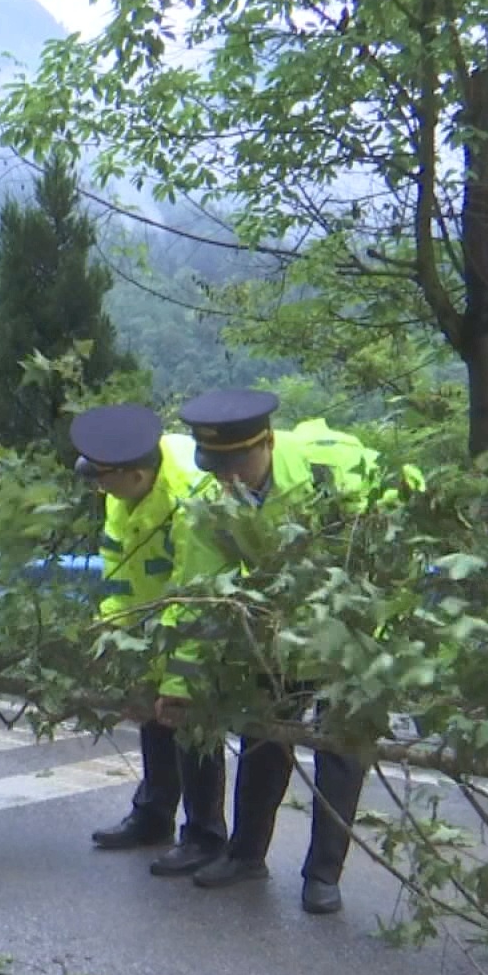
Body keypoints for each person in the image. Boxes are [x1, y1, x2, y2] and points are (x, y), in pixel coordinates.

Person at [157, 389, 395, 915]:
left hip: (351, 634)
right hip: (276, 634)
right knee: (262, 738)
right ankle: (245, 854)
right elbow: (200, 594)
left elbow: (397, 529)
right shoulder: (212, 501)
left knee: (341, 749)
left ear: (267, 441)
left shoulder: (332, 469)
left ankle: (322, 874)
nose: (231, 478)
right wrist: (180, 684)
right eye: (219, 467)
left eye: (239, 462)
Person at [70, 405, 230, 877]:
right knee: (150, 712)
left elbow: (198, 597)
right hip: (155, 621)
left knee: (190, 718)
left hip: (208, 616)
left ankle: (204, 834)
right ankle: (153, 814)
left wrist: (179, 679)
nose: (99, 488)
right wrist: (118, 648)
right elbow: (119, 574)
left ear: (137, 474)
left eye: (104, 479)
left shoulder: (192, 494)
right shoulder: (121, 489)